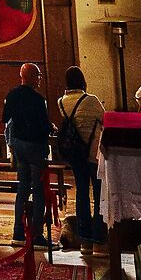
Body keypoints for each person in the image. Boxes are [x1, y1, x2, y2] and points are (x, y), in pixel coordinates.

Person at [1, 62, 54, 246]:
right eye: (38, 75)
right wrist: (51, 128)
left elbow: (6, 118)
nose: (40, 79)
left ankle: (18, 232)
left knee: (22, 187)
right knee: (38, 189)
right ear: (30, 77)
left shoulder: (12, 95)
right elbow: (43, 124)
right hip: (34, 146)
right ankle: (37, 234)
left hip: (18, 144)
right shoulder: (38, 100)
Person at [54, 66, 106, 243]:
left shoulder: (61, 101)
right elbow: (104, 119)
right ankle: (99, 233)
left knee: (82, 190)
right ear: (82, 80)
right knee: (99, 192)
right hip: (93, 152)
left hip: (75, 152)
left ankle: (84, 232)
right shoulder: (91, 100)